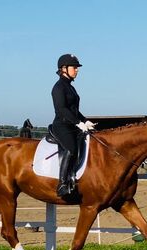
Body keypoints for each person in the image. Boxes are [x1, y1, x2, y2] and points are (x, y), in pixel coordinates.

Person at [50, 54, 96, 197]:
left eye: (77, 68)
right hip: (61, 126)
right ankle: (62, 183)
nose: (77, 70)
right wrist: (78, 123)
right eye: (74, 67)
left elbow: (74, 110)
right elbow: (62, 110)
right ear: (64, 69)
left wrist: (85, 120)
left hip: (72, 125)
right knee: (71, 149)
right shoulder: (58, 88)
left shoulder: (70, 87)